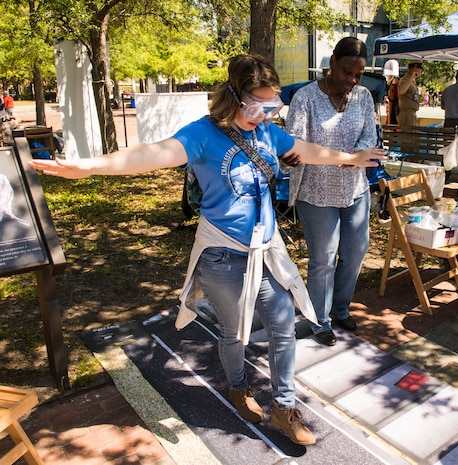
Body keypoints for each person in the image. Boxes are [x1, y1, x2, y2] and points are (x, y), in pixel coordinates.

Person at [28, 54, 384, 446]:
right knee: (234, 332)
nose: (264, 115)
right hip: (222, 255)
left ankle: (283, 408)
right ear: (233, 96)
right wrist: (90, 166)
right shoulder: (202, 135)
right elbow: (150, 154)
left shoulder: (267, 132)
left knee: (283, 325)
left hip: (264, 252)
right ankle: (237, 387)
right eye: (256, 106)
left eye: (273, 106)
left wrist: (351, 158)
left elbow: (307, 149)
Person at [284, 37, 378, 347]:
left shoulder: (364, 97)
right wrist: (291, 157)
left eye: (358, 74)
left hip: (355, 190)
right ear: (332, 62)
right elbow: (295, 143)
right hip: (316, 191)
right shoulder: (306, 97)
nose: (352, 80)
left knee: (354, 254)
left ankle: (340, 309)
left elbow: (369, 136)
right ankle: (319, 319)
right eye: (347, 72)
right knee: (323, 258)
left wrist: (360, 156)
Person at [396, 61, 423, 126]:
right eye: (420, 68)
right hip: (406, 113)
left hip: (412, 113)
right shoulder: (406, 79)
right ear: (414, 67)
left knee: (414, 135)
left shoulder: (413, 81)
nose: (421, 70)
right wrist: (411, 78)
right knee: (408, 135)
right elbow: (401, 91)